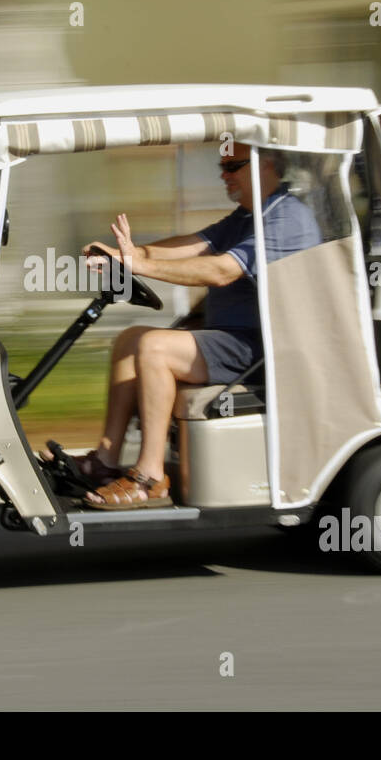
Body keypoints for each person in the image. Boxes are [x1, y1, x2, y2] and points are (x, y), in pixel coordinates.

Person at [73, 141, 321, 509]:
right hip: (232, 341)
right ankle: (105, 461)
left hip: (262, 351)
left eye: (232, 166)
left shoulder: (288, 218)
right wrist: (127, 256)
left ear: (266, 164)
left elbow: (220, 271)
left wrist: (142, 267)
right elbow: (191, 246)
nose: (223, 175)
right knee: (131, 338)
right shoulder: (246, 217)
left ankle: (149, 477)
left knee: (154, 347)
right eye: (222, 166)